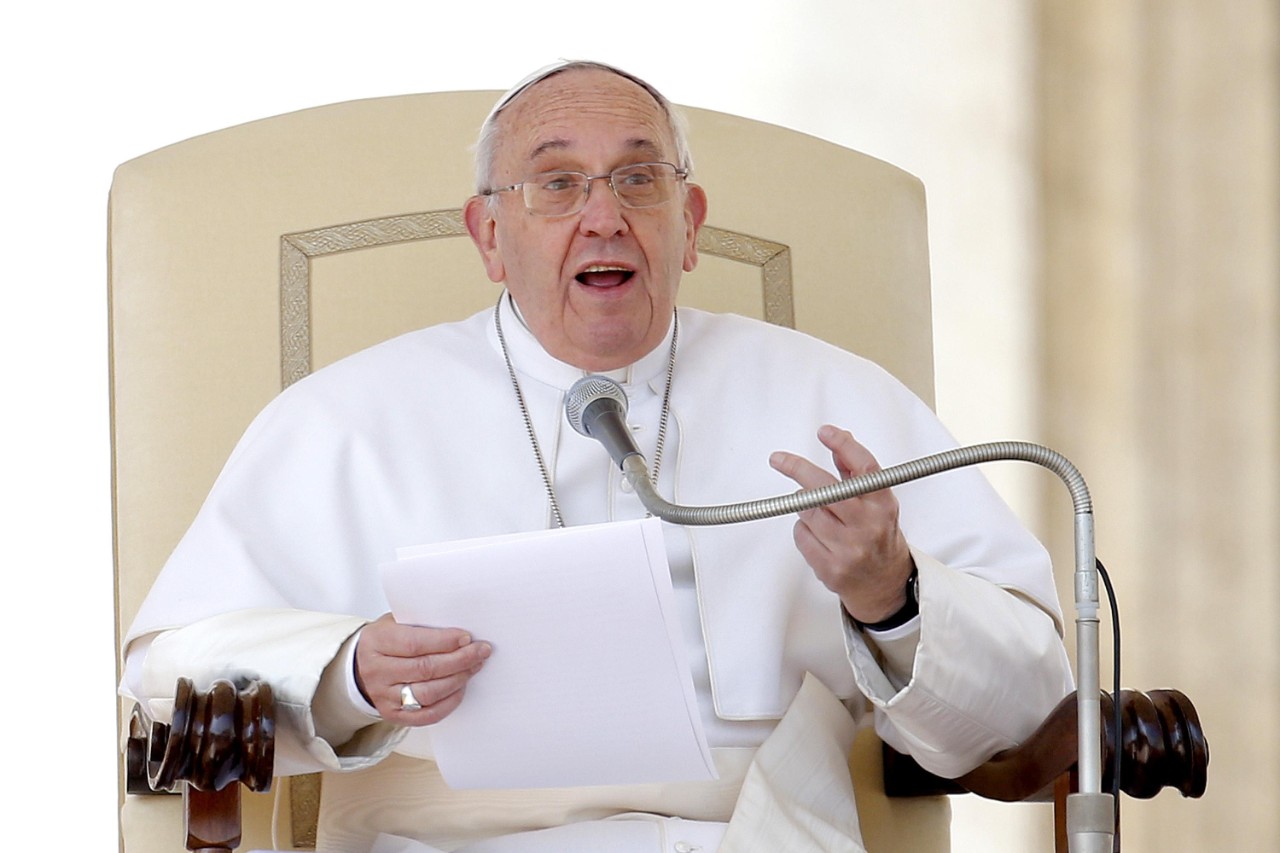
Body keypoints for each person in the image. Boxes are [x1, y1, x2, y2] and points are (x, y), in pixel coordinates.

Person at [123, 60, 1073, 852]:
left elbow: (1030, 702)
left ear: (690, 222)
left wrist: (893, 594)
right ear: (491, 235)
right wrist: (347, 673)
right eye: (557, 182)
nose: (605, 215)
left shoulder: (835, 401)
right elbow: (167, 672)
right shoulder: (344, 418)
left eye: (638, 178)